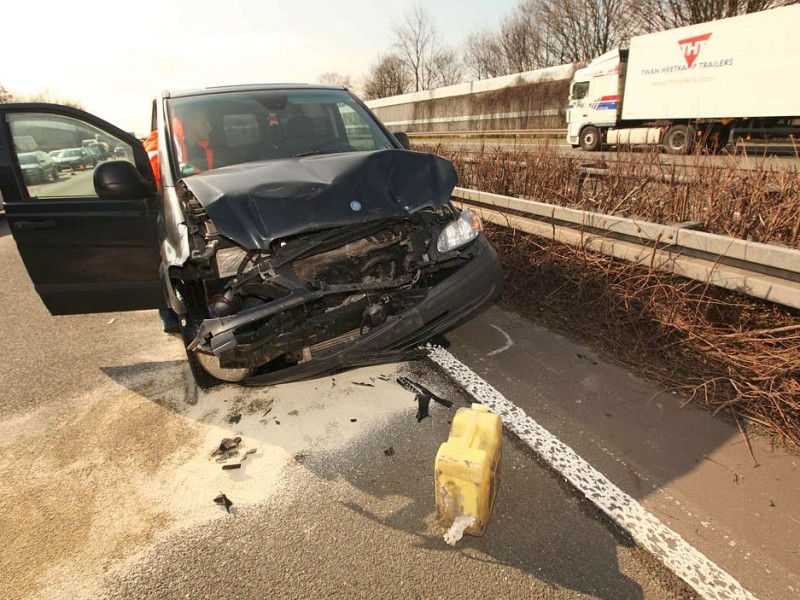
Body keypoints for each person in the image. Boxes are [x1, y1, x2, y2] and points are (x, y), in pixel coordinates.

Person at [144, 108, 215, 334]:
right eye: (205, 118)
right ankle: (176, 320)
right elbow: (155, 172)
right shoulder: (165, 140)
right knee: (175, 265)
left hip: (196, 207)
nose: (210, 126)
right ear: (189, 119)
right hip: (170, 212)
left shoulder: (201, 143)